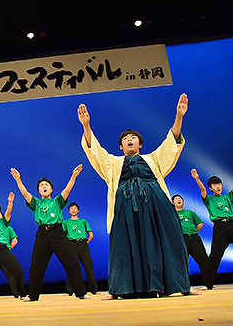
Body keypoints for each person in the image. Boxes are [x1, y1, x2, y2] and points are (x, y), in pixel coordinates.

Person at [78, 94, 195, 299]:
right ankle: (122, 289)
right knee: (123, 244)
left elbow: (171, 145)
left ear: (140, 144)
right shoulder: (113, 163)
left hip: (156, 203)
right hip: (124, 205)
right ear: (121, 147)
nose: (129, 140)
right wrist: (86, 127)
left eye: (133, 138)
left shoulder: (152, 159)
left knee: (168, 240)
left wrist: (179, 116)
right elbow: (95, 152)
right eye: (125, 139)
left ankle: (177, 285)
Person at [10, 165, 90, 300]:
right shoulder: (36, 203)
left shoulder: (57, 201)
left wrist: (73, 176)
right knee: (36, 266)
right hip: (42, 235)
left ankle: (81, 293)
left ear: (51, 189)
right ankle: (33, 296)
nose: (44, 186)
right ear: (39, 190)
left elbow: (67, 190)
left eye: (46, 184)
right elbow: (25, 193)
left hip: (58, 233)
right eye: (41, 185)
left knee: (72, 262)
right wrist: (18, 180)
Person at [191, 166, 233, 289]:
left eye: (219, 184)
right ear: (211, 188)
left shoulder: (227, 197)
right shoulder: (209, 200)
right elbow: (202, 190)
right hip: (220, 227)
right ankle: (208, 284)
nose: (218, 186)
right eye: (215, 185)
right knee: (215, 256)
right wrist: (197, 179)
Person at [172, 194, 210, 286]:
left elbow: (200, 224)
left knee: (203, 260)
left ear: (183, 202)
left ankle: (208, 284)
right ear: (173, 203)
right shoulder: (172, 214)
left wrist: (192, 231)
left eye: (180, 199)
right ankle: (184, 285)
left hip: (194, 238)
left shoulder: (190, 213)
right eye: (176, 199)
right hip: (181, 240)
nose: (179, 200)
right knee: (182, 262)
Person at [63, 202, 98, 295]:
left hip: (82, 244)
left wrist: (85, 242)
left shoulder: (83, 221)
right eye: (71, 208)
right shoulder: (66, 223)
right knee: (71, 267)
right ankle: (70, 291)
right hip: (71, 245)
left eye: (75, 208)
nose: (73, 209)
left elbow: (91, 234)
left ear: (78, 210)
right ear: (69, 211)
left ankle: (94, 289)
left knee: (88, 266)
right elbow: (62, 235)